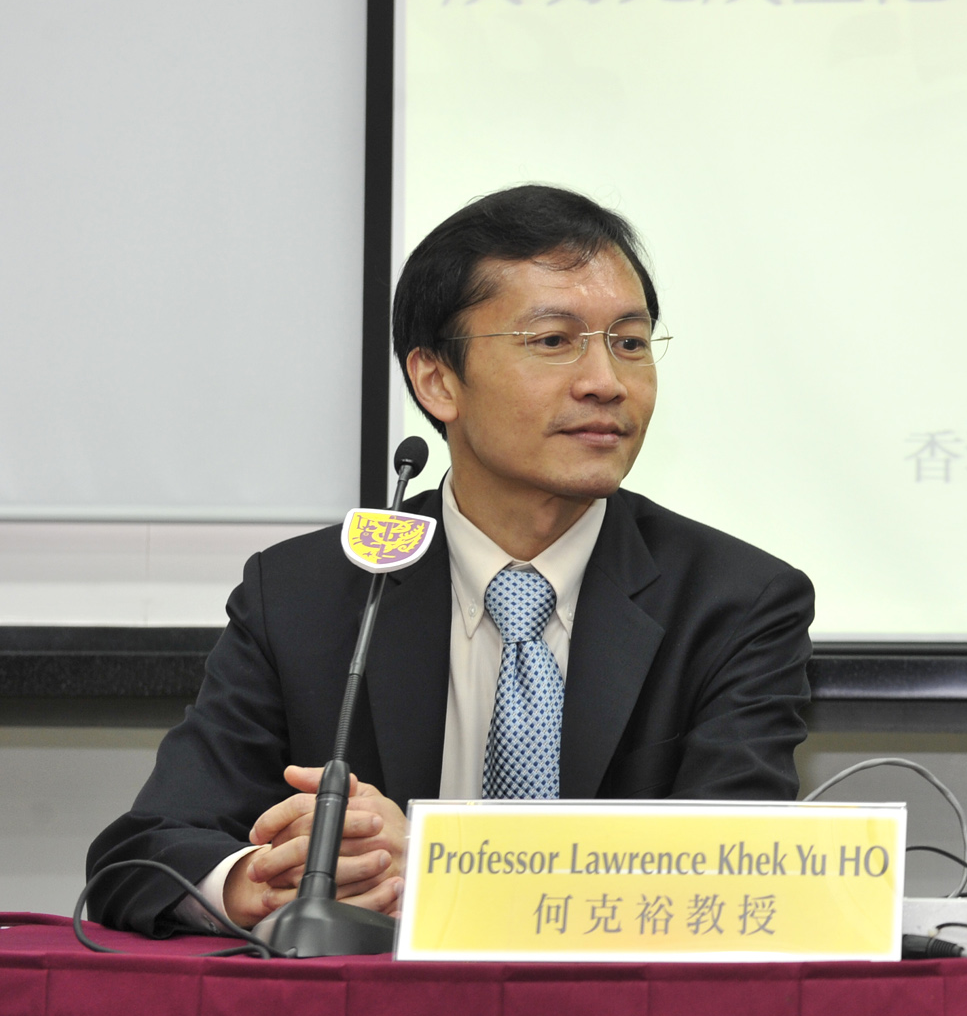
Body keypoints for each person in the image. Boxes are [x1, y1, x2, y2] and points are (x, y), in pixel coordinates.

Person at [86, 185, 815, 936]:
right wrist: (256, 884)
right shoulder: (309, 596)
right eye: (554, 341)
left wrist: (443, 864)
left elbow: (736, 879)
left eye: (629, 342)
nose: (608, 381)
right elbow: (143, 853)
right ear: (437, 381)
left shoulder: (737, 603)